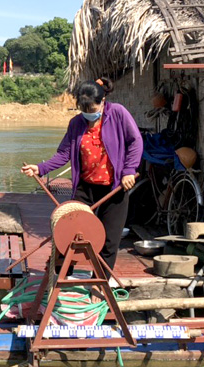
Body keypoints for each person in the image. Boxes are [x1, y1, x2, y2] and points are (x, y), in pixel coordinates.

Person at [21, 77, 143, 269]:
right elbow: (63, 154)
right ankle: (60, 276)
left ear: (103, 101)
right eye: (83, 111)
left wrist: (129, 170)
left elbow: (135, 141)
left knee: (110, 240)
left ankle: (100, 282)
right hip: (85, 188)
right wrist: (40, 168)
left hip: (114, 189)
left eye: (92, 111)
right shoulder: (76, 123)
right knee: (69, 231)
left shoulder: (118, 113)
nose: (88, 114)